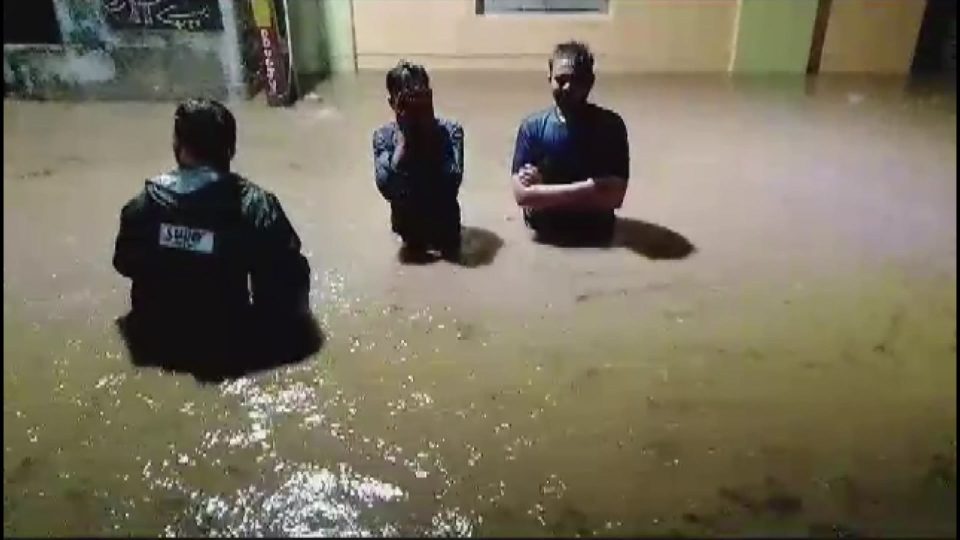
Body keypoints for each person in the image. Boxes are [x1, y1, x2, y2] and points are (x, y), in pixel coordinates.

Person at [112, 98, 315, 370]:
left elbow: (124, 263)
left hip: (158, 338)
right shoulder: (254, 206)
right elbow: (289, 286)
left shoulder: (142, 206)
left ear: (178, 148)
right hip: (228, 342)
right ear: (230, 149)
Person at [510, 41, 630, 245]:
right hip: (545, 232)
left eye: (577, 80)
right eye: (560, 80)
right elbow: (522, 197)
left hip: (595, 233)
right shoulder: (532, 127)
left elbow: (615, 199)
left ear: (590, 81)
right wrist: (593, 188)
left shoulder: (611, 126)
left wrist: (543, 190)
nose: (568, 88)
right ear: (549, 79)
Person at [373, 60, 465, 259]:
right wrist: (404, 143)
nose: (415, 104)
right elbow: (387, 187)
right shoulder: (384, 137)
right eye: (406, 98)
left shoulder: (450, 132)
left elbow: (452, 183)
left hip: (446, 232)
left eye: (420, 95)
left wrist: (428, 130)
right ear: (392, 103)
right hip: (407, 235)